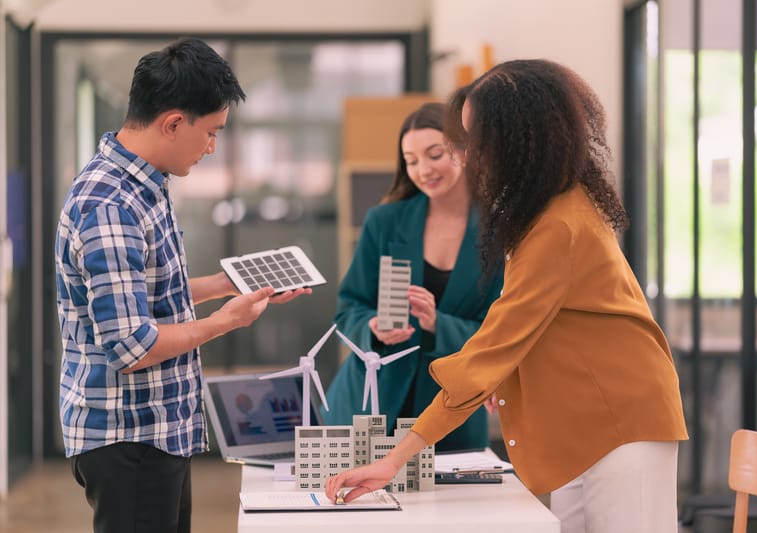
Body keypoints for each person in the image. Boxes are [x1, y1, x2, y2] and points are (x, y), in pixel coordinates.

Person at [325, 59, 688, 533]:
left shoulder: (556, 223)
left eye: (473, 139)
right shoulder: (545, 208)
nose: (464, 153)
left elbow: (495, 342)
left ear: (519, 137)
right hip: (582, 420)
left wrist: (393, 460)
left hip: (621, 417)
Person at [54, 37, 310, 533]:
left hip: (156, 431)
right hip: (129, 438)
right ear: (173, 122)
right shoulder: (112, 205)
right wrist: (222, 324)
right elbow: (132, 345)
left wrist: (225, 283)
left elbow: (143, 293)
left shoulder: (144, 185)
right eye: (211, 132)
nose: (212, 147)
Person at [325, 102, 503, 452]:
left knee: (454, 505)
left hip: (449, 407)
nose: (423, 170)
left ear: (464, 151)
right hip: (370, 402)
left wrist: (439, 323)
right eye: (411, 160)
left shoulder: (499, 232)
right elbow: (349, 310)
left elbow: (503, 330)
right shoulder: (384, 221)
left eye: (434, 154)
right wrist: (373, 327)